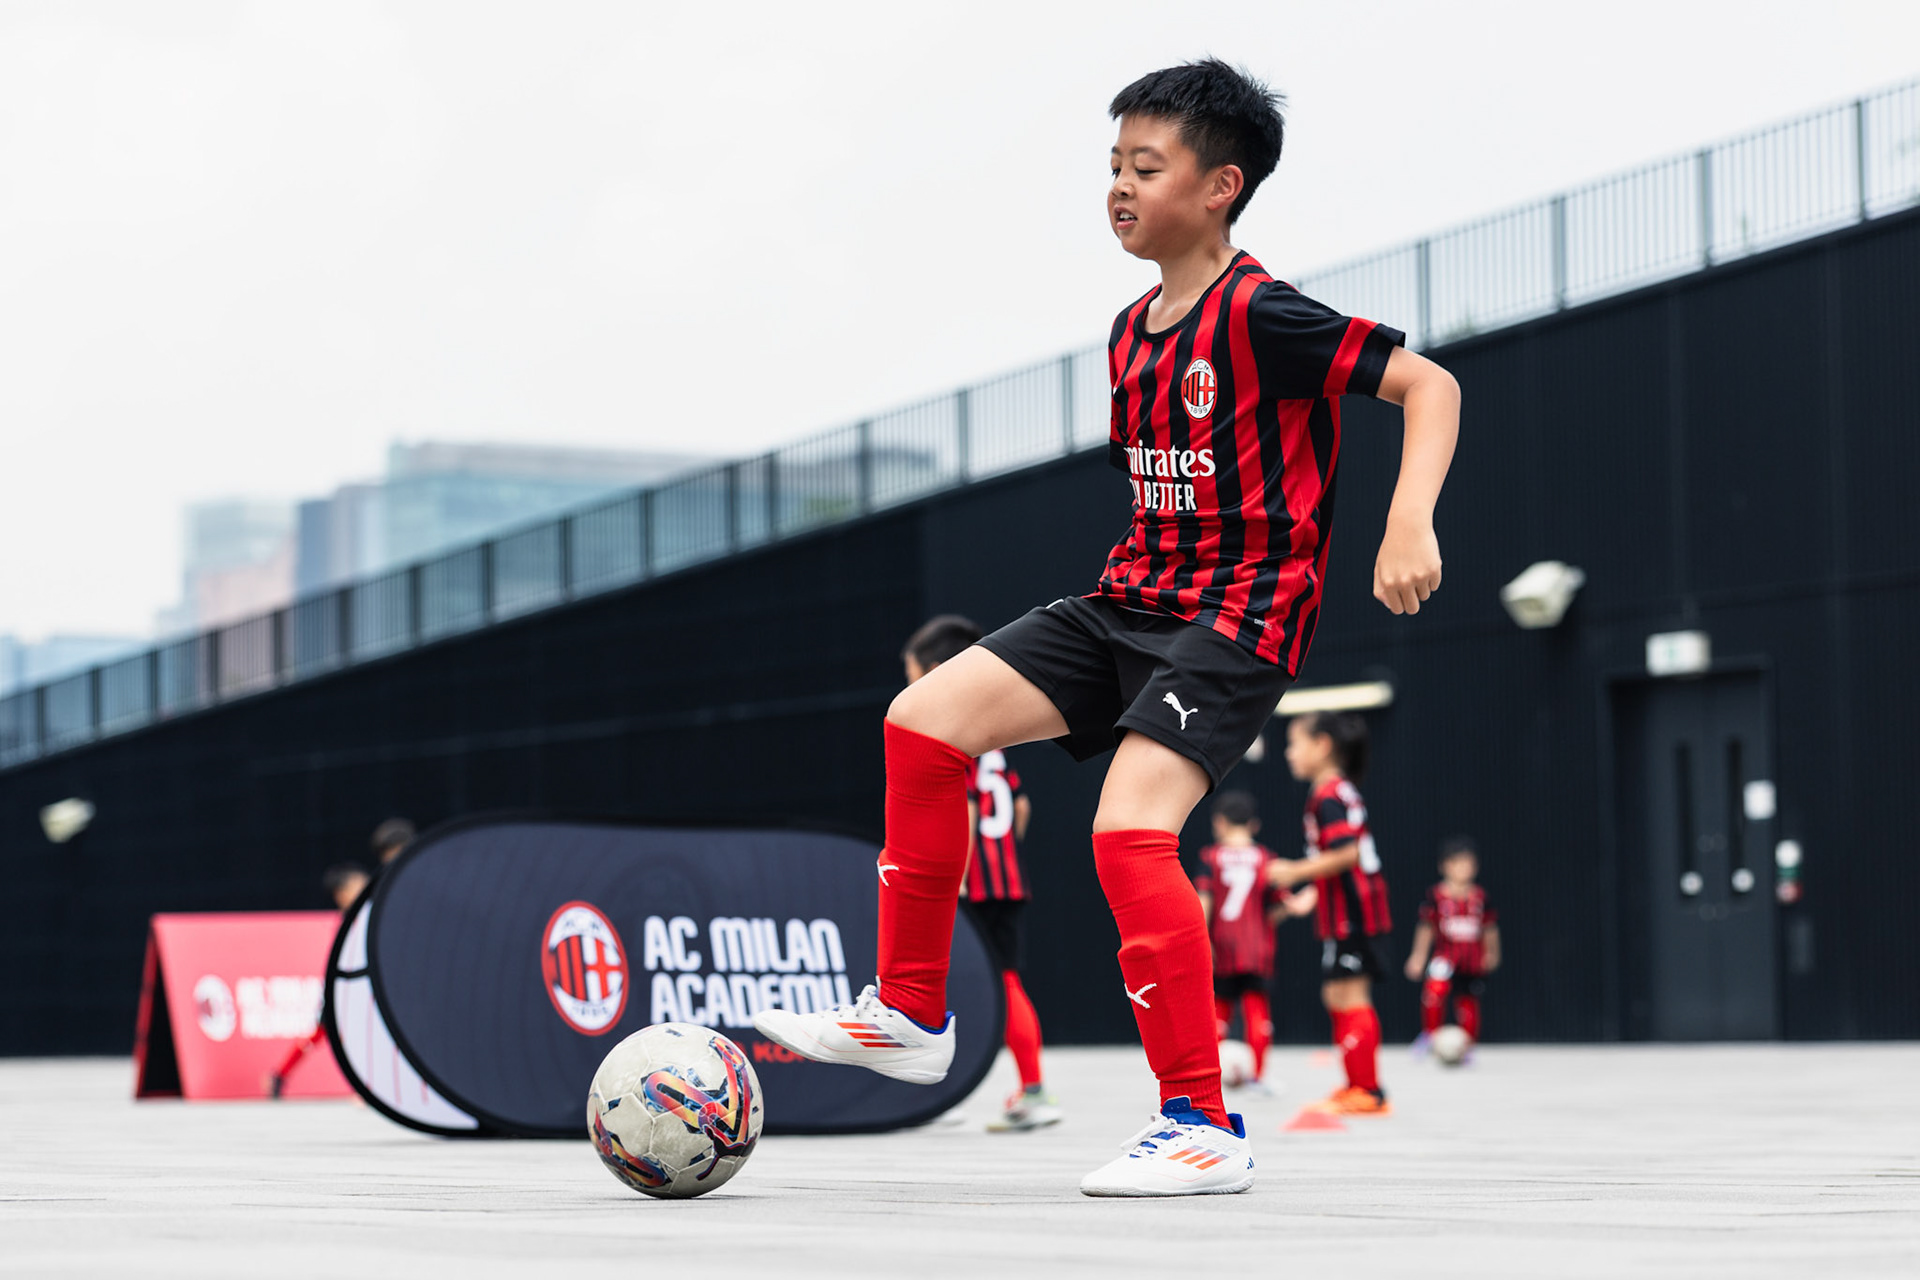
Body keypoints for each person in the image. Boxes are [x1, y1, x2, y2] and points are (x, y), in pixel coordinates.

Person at [754, 58, 1458, 1197]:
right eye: (1114, 166)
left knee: (1129, 831)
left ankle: (1201, 1124)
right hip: (1131, 599)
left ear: (1221, 187)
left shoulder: (1262, 312)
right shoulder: (1132, 331)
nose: (1121, 187)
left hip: (1238, 614)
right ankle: (912, 1013)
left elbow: (1430, 386)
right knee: (922, 720)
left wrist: (1407, 519)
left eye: (1147, 166)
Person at [900, 614, 1061, 1133]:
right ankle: (1029, 1088)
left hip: (970, 883)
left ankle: (944, 1095)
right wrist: (1002, 853)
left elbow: (963, 807)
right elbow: (1021, 806)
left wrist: (960, 875)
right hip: (1006, 878)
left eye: (912, 675)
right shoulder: (994, 734)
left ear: (935, 671)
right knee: (1003, 980)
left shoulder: (950, 727)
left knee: (946, 983)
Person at [1274, 712, 1394, 1116]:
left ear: (1322, 745)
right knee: (1335, 993)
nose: (1289, 754)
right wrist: (1310, 894)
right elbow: (1336, 858)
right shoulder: (1334, 791)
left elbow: (1347, 854)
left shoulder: (1329, 795)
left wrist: (1294, 871)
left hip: (1355, 911)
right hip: (1342, 911)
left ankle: (1368, 1091)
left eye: (1294, 744)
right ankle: (1355, 1085)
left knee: (1351, 994)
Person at [1192, 790, 1314, 1094]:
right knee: (1257, 1009)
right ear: (1254, 825)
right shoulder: (1266, 859)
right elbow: (1282, 907)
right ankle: (1258, 1078)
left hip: (1220, 947)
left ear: (1219, 822)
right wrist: (1310, 894)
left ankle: (1209, 1080)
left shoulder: (1210, 857)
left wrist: (1201, 940)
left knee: (1217, 1012)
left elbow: (1203, 902)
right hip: (1257, 950)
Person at [265, 863, 370, 1099]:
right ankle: (280, 1074)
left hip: (359, 987)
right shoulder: (349, 923)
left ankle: (366, 1088)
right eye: (357, 887)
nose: (364, 889)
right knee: (321, 1034)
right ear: (341, 895)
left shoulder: (367, 915)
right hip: (343, 989)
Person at [1405, 836, 1500, 1059]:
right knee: (1434, 991)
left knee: (1468, 1002)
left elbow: (1490, 928)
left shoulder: (1480, 897)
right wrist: (1418, 957)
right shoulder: (1436, 896)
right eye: (1457, 863)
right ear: (1444, 866)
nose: (1462, 869)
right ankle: (1430, 1035)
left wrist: (1493, 953)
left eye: (1467, 863)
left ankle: (1467, 1046)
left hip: (1471, 959)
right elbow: (1426, 928)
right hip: (1445, 956)